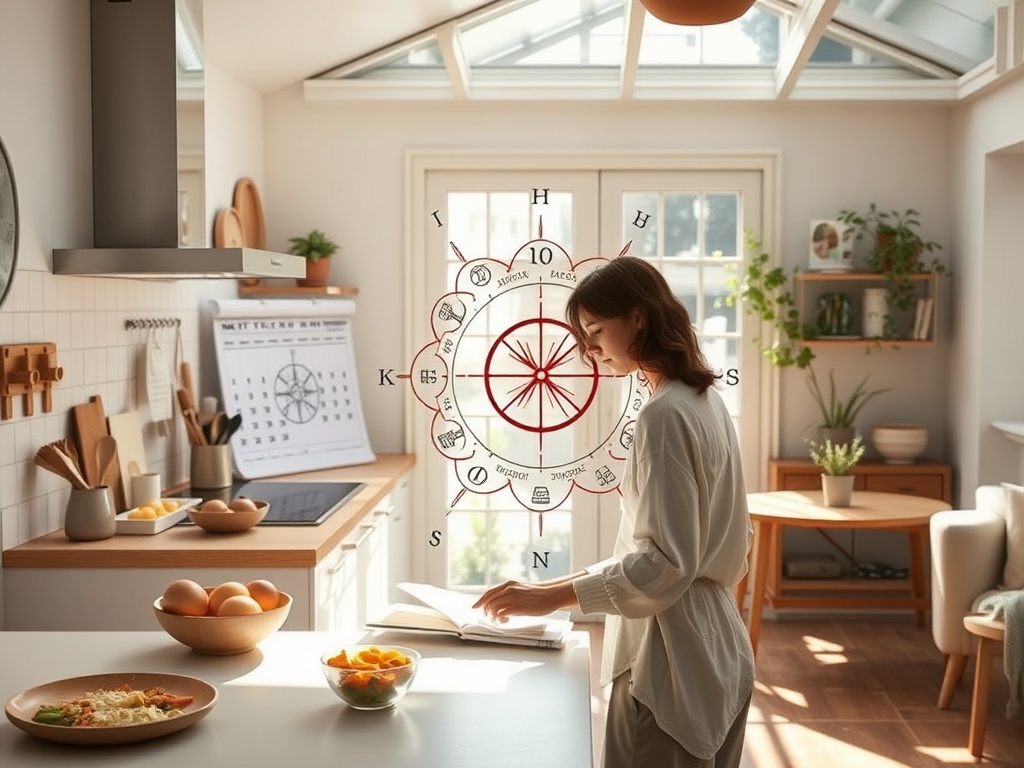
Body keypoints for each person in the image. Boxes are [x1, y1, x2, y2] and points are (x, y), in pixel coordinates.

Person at [473, 256, 754, 768]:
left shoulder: (663, 417)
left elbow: (663, 565)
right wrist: (544, 590)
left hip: (669, 663)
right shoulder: (706, 400)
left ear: (639, 318)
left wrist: (550, 598)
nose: (591, 349)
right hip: (723, 649)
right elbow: (696, 549)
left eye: (597, 331)